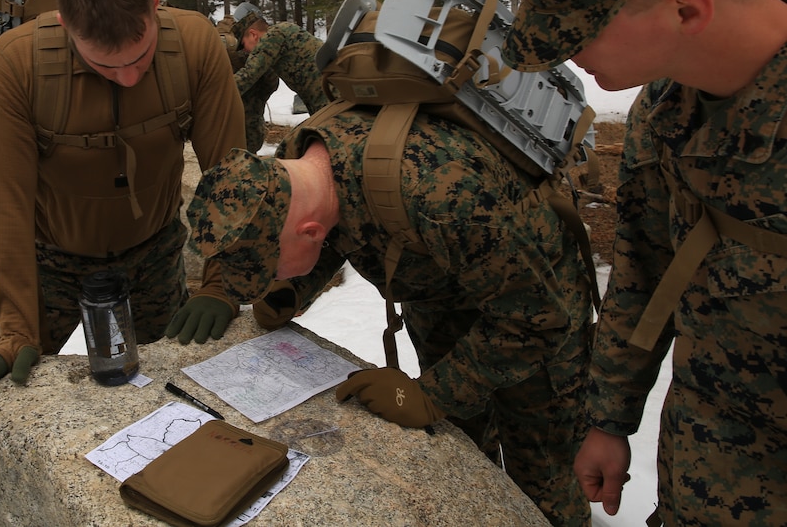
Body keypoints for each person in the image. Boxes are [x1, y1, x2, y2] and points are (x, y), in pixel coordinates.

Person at [491, 0, 787, 526]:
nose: (559, 52)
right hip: (700, 478)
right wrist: (610, 417)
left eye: (579, 25)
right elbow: (647, 268)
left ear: (687, 9)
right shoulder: (666, 110)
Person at [186, 105, 596, 524]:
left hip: (536, 302)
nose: (266, 281)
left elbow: (539, 317)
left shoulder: (441, 194)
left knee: (542, 473)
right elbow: (336, 221)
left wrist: (432, 394)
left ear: (306, 232)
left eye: (269, 270)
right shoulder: (299, 159)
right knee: (462, 443)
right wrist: (292, 289)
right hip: (441, 290)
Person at [0, 0, 247, 418]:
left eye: (141, 57)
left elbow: (232, 179)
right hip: (51, 258)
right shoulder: (15, 65)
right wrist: (16, 331)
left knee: (180, 387)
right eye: (107, 65)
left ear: (154, 4)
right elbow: (4, 208)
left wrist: (221, 286)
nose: (128, 77)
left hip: (155, 252)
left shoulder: (193, 44)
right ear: (66, 25)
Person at [230, 2, 330, 116]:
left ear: (253, 35)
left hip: (330, 100)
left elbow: (248, 75)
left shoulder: (272, 37)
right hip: (329, 99)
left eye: (243, 44)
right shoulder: (281, 33)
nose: (245, 51)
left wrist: (213, 93)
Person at [217, 13, 280, 152]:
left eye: (243, 43)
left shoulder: (263, 57)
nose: (244, 48)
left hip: (248, 132)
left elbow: (270, 86)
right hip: (242, 132)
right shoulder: (243, 58)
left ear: (253, 35)